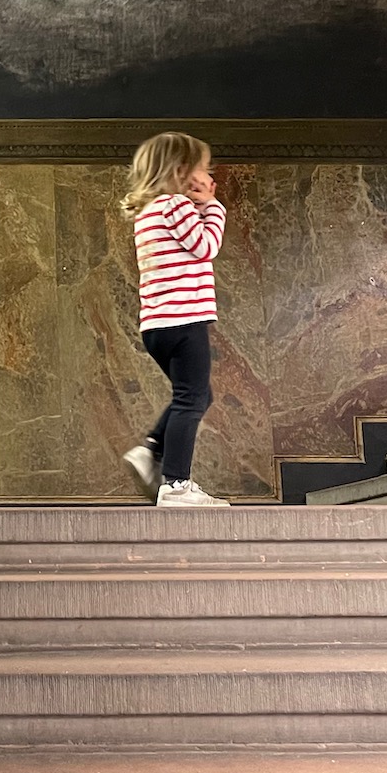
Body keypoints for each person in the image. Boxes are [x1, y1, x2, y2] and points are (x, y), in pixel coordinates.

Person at [120, 131, 231, 508]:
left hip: (157, 325)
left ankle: (151, 449)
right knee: (192, 399)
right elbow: (205, 247)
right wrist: (213, 205)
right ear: (181, 170)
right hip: (184, 320)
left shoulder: (150, 210)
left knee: (197, 395)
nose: (206, 176)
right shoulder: (175, 205)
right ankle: (177, 485)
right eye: (202, 169)